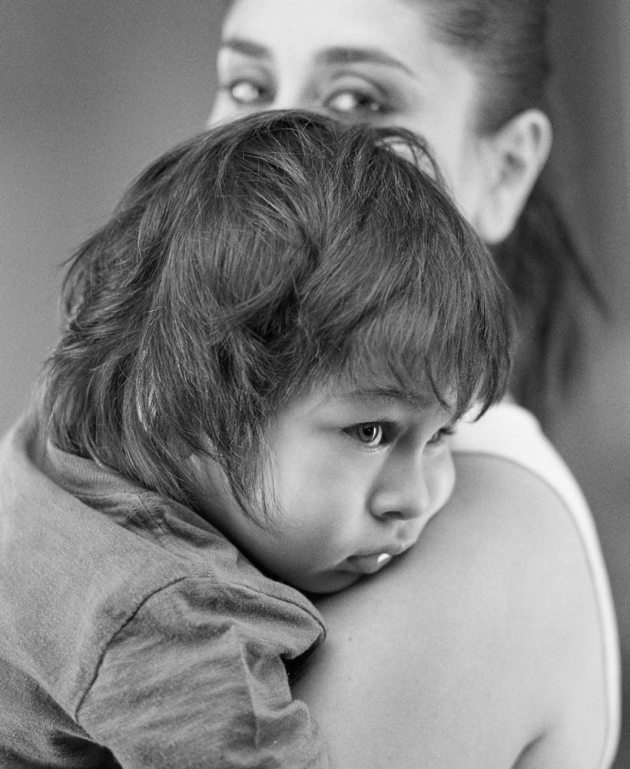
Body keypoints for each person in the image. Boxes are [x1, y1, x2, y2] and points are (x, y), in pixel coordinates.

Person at [0, 110, 514, 767]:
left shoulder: (64, 434)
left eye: (443, 433)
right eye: (371, 431)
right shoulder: (175, 633)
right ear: (184, 407)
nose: (414, 498)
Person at [208, 2, 621, 767]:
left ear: (505, 170)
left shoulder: (469, 532)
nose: (271, 149)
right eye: (247, 86)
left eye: (358, 100)